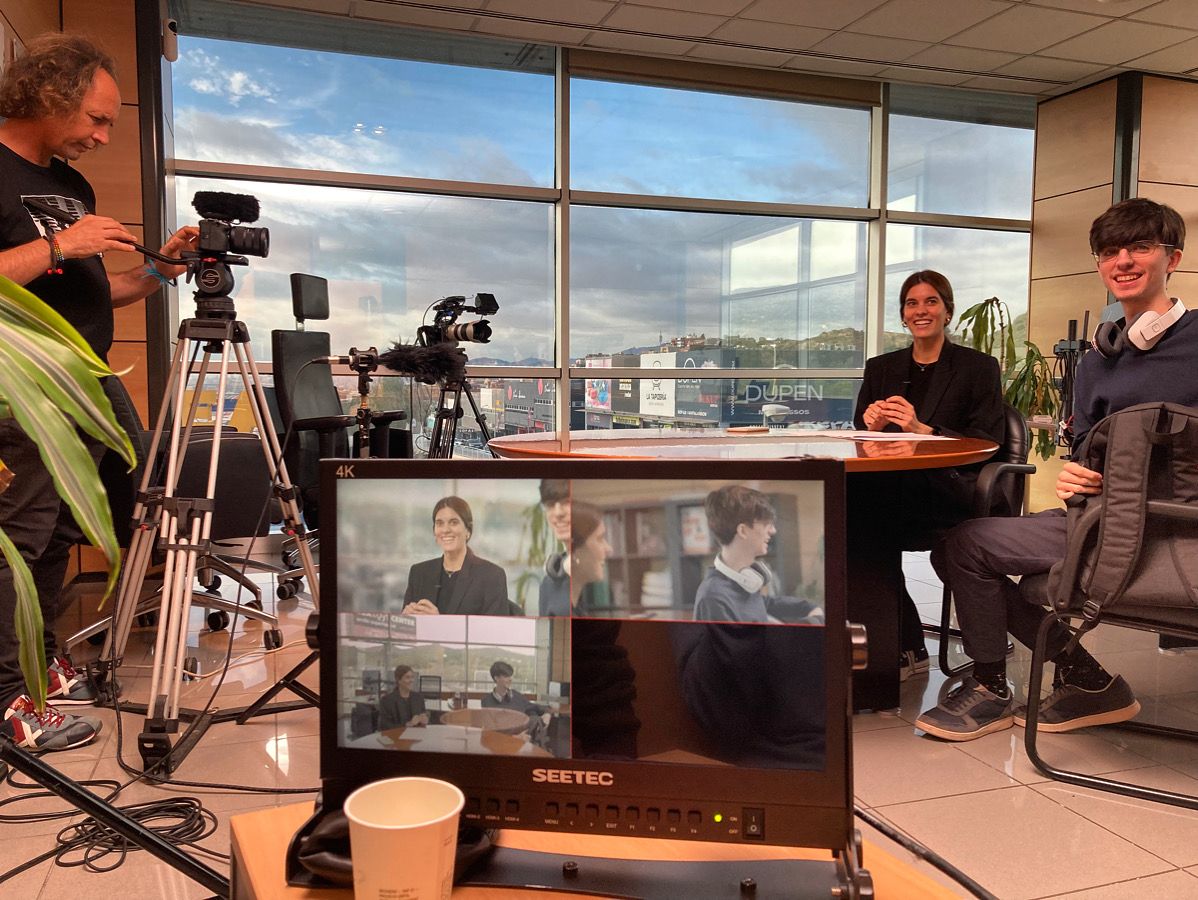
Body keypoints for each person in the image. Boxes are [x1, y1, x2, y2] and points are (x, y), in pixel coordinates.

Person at [917, 198, 1198, 741]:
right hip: (1103, 520)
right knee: (957, 546)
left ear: (1173, 258)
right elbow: (1086, 450)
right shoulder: (1096, 363)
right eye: (1109, 252)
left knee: (965, 547)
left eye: (1140, 247)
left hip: (1175, 527)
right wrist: (1074, 474)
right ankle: (1081, 678)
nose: (1122, 261)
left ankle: (1007, 685)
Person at [0, 34, 199, 752]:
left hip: (84, 376)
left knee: (70, 524)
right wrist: (62, 244)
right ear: (49, 95)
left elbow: (94, 291)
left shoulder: (70, 187)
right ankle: (5, 698)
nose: (103, 136)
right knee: (24, 531)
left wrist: (157, 272)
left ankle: (38, 661)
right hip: (24, 380)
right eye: (97, 119)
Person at [853, 269, 1005, 680]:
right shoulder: (881, 368)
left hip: (949, 491)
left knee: (866, 523)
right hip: (893, 490)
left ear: (947, 311)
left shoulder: (978, 367)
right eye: (912, 303)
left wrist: (922, 430)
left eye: (931, 301)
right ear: (903, 315)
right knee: (850, 523)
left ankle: (904, 645)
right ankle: (902, 643)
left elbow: (986, 440)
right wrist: (872, 425)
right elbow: (861, 437)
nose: (921, 310)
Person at [692, 485, 824, 624]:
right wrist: (813, 622)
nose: (773, 530)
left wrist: (807, 607)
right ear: (743, 531)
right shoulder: (714, 597)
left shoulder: (740, 583)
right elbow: (755, 639)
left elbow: (764, 603)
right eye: (766, 524)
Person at [402, 496, 511, 616]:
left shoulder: (491, 576)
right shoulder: (419, 573)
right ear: (434, 531)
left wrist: (438, 622)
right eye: (439, 523)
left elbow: (494, 627)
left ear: (468, 530)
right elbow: (405, 625)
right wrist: (406, 620)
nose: (445, 530)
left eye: (454, 522)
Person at [567, 501, 611, 615]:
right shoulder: (561, 611)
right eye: (600, 539)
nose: (609, 549)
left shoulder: (578, 608)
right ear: (573, 550)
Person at [537, 479, 572, 617]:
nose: (558, 513)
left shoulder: (599, 574)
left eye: (567, 502)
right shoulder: (548, 584)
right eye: (550, 505)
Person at [481, 660, 546, 717]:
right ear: (496, 678)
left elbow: (535, 708)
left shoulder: (517, 696)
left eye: (510, 676)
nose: (510, 679)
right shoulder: (486, 701)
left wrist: (547, 713)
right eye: (506, 676)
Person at [377, 664, 429, 731]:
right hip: (396, 736)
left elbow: (423, 718)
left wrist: (424, 720)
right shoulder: (387, 700)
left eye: (412, 677)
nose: (411, 680)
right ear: (399, 680)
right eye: (407, 677)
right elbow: (384, 726)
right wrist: (408, 724)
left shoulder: (418, 698)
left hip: (416, 735)